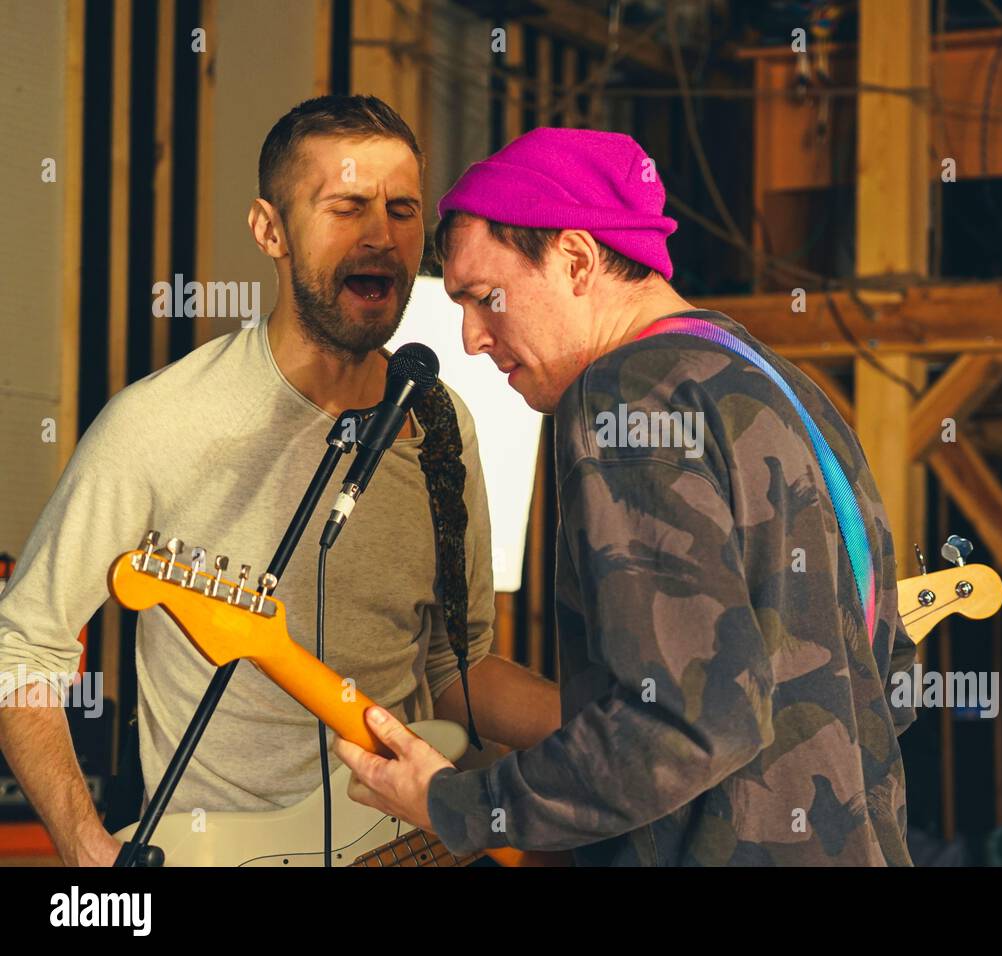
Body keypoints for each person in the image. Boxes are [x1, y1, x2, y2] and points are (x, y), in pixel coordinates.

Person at [0, 95, 559, 867]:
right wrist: (81, 839)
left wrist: (622, 738)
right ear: (270, 230)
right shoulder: (160, 423)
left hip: (406, 843)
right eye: (346, 206)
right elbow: (23, 648)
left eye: (401, 210)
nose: (380, 235)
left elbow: (453, 669)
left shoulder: (437, 420)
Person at [336, 126, 918, 866]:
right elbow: (893, 675)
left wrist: (465, 805)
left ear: (576, 260)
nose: (472, 338)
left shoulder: (624, 396)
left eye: (486, 297)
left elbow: (681, 721)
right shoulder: (784, 387)